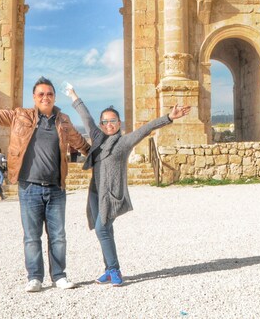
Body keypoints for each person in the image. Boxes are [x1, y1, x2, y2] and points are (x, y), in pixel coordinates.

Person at [0, 77, 90, 292]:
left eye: (49, 94)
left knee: (58, 236)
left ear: (54, 97)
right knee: (31, 237)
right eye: (41, 94)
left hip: (56, 187)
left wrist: (102, 155)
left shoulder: (64, 121)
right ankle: (34, 277)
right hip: (29, 186)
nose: (45, 97)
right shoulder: (20, 116)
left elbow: (81, 144)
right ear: (34, 97)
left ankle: (59, 276)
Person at [65, 85, 190, 287]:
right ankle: (108, 269)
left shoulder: (124, 142)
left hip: (111, 195)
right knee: (106, 230)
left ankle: (114, 270)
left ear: (119, 122)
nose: (108, 124)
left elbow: (145, 129)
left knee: (101, 229)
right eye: (104, 121)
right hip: (95, 193)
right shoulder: (97, 138)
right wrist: (73, 95)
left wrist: (169, 117)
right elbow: (85, 117)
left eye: (112, 121)